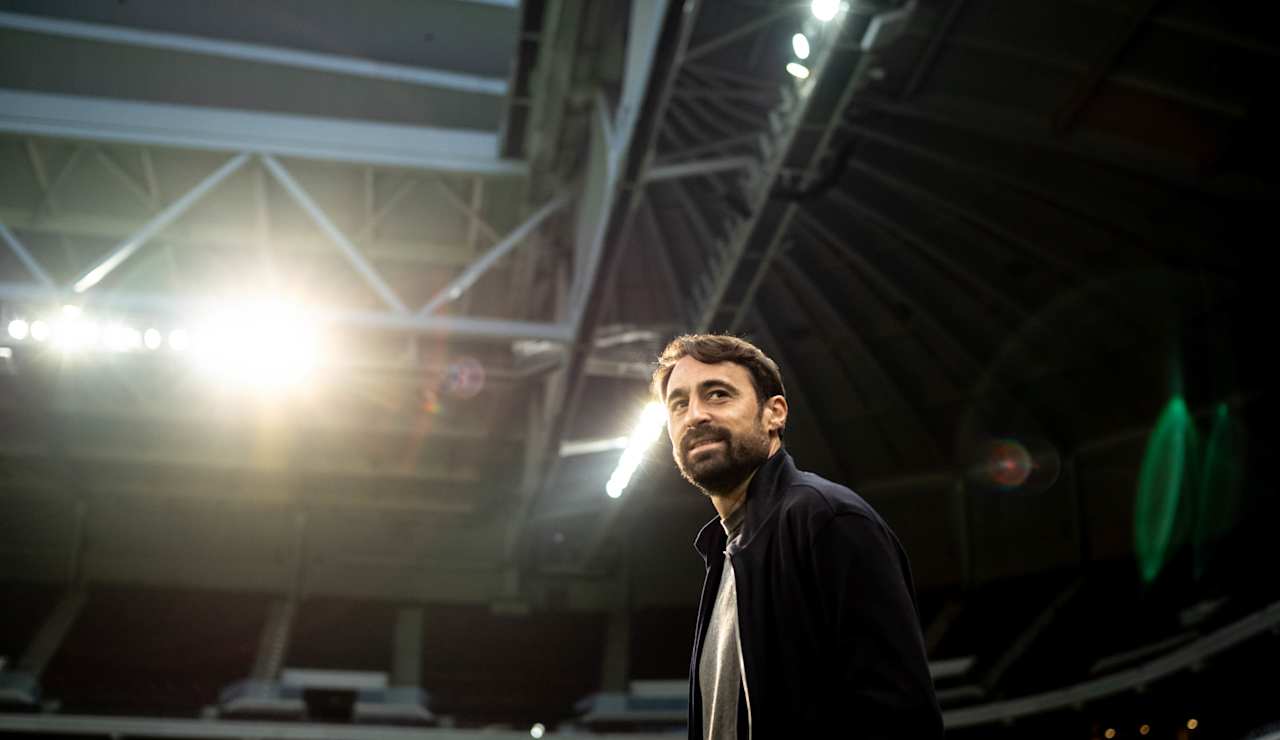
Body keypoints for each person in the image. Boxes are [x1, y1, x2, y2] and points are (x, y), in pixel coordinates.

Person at [651, 334, 942, 739]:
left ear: (774, 414)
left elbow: (901, 719)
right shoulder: (723, 552)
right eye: (679, 403)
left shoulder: (828, 520)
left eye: (717, 394)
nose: (695, 415)